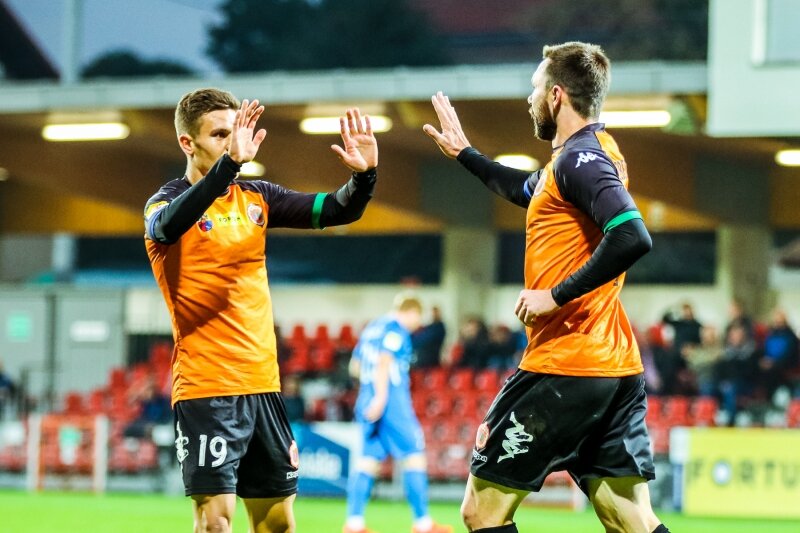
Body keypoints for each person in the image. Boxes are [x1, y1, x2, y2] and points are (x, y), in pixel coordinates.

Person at [423, 42, 669, 533]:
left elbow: (632, 235)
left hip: (566, 364)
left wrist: (553, 296)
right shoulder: (592, 154)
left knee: (482, 511)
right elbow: (524, 189)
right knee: (628, 517)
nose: (529, 97)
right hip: (613, 366)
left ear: (556, 96)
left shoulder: (580, 160)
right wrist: (466, 154)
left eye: (535, 87)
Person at [144, 88, 378, 533]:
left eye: (236, 132)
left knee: (278, 524)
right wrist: (230, 165)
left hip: (264, 387)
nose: (233, 142)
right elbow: (167, 226)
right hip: (207, 388)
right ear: (187, 142)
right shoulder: (164, 202)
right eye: (220, 135)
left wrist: (364, 176)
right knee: (215, 522)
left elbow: (335, 210)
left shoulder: (257, 197)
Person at [344, 294, 452, 533]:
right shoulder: (396, 331)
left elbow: (355, 366)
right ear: (411, 311)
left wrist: (371, 391)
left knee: (367, 461)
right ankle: (423, 524)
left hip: (366, 397)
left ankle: (354, 523)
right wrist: (381, 397)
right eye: (418, 318)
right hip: (391, 401)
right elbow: (384, 361)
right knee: (414, 456)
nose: (418, 324)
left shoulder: (372, 328)